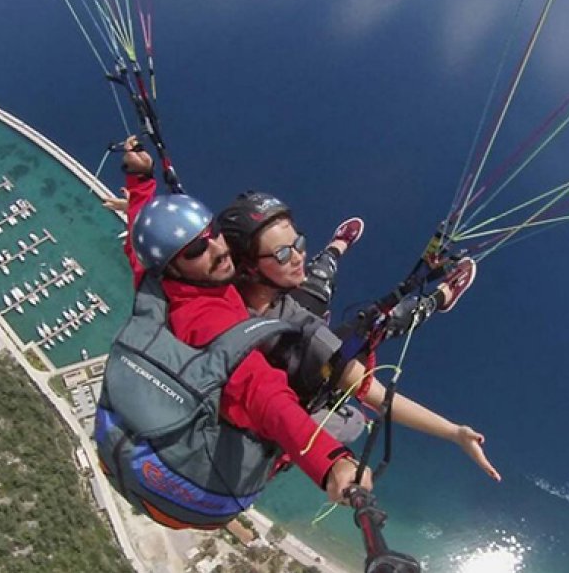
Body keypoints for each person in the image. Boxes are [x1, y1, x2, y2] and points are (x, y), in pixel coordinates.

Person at [95, 142, 372, 530]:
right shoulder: (207, 321)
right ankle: (338, 253)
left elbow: (141, 237)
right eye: (196, 249)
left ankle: (336, 250)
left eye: (212, 233)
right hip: (207, 482)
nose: (218, 248)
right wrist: (331, 463)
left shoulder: (155, 280)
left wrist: (139, 177)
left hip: (158, 431)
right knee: (348, 418)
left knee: (306, 311)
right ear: (174, 263)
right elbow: (267, 398)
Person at [217, 191, 500, 481]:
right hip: (299, 379)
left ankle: (335, 249)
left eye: (298, 242)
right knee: (373, 323)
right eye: (283, 253)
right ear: (250, 265)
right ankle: (438, 299)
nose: (298, 254)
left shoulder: (220, 289)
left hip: (283, 333)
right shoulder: (307, 340)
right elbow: (379, 396)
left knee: (314, 283)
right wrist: (454, 432)